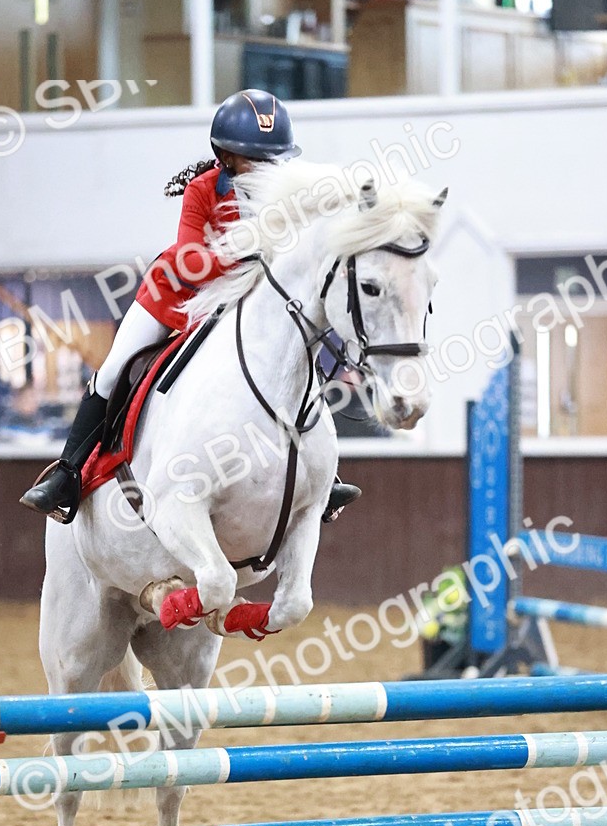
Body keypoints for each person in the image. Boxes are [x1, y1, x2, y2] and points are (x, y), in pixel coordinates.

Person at [20, 89, 360, 523]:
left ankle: (322, 477)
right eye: (255, 157)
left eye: (274, 158)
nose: (267, 167)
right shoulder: (203, 190)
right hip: (176, 298)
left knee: (296, 364)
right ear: (227, 155)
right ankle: (67, 475)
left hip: (244, 302)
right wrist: (247, 250)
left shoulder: (284, 193)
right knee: (113, 369)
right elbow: (190, 260)